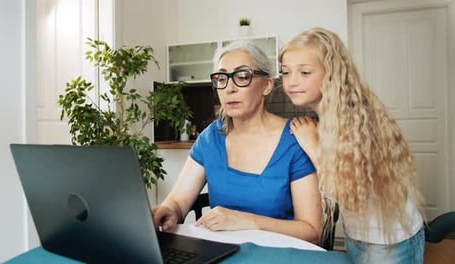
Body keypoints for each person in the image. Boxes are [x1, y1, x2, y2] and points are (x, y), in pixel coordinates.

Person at [152, 40, 323, 244]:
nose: (229, 88)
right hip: (221, 254)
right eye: (221, 78)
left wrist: (246, 221)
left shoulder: (295, 139)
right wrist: (168, 211)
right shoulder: (210, 138)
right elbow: (178, 202)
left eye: (242, 76)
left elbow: (312, 231)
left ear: (267, 85)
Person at [278, 27, 426, 263]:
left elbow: (350, 190)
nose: (291, 82)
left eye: (305, 72)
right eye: (285, 72)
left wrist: (312, 144)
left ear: (331, 72)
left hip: (389, 243)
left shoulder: (355, 117)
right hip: (359, 236)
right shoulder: (329, 115)